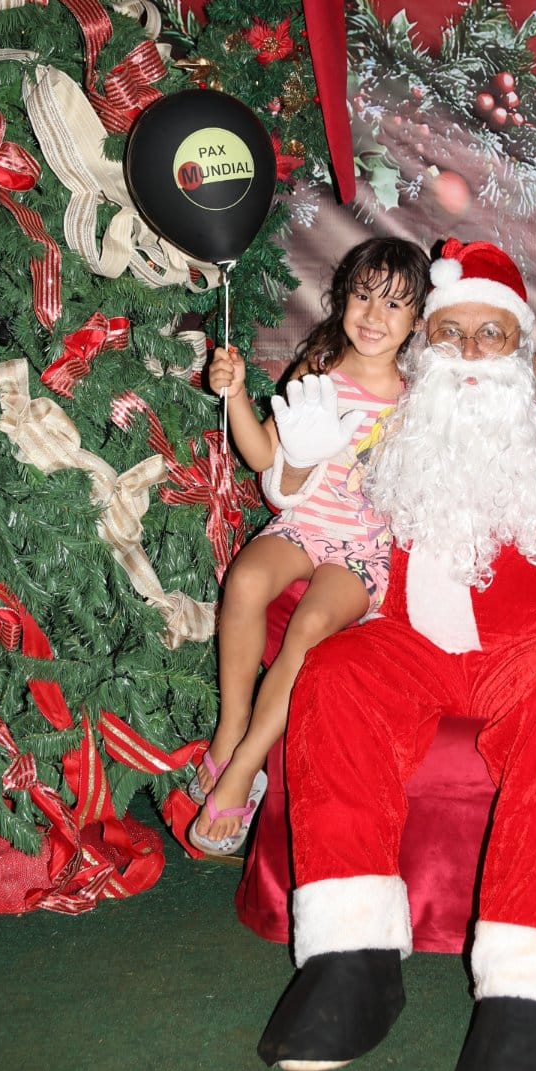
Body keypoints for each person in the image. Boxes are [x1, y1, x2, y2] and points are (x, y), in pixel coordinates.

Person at [256, 238, 536, 1071]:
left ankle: (526, 1001)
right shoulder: (399, 416)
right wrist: (294, 462)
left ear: (522, 343)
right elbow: (313, 506)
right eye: (452, 334)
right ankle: (351, 962)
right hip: (415, 640)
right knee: (335, 674)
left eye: (494, 333)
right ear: (426, 344)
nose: (472, 352)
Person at [187, 236, 430, 855]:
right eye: (364, 296)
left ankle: (246, 765)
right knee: (245, 580)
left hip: (363, 548)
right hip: (302, 525)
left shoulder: (417, 398)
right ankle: (231, 729)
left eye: (395, 305)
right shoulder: (317, 372)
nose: (373, 316)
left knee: (312, 622)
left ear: (417, 321)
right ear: (344, 297)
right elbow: (261, 456)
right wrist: (234, 394)